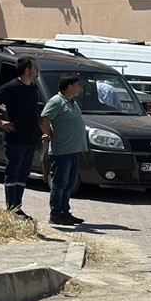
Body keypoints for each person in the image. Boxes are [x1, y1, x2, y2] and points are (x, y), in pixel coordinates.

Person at [0, 57, 41, 221]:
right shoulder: (12, 87)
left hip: (30, 139)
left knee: (23, 174)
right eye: (35, 67)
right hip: (15, 138)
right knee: (13, 172)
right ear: (27, 70)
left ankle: (18, 207)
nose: (37, 70)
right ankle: (11, 207)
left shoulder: (33, 87)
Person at [39, 75, 87, 226]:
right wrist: (51, 134)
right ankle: (55, 214)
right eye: (77, 85)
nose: (80, 88)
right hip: (62, 150)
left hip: (74, 150)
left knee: (69, 183)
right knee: (59, 183)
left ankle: (64, 211)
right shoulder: (56, 101)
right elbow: (43, 120)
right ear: (69, 87)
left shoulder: (72, 102)